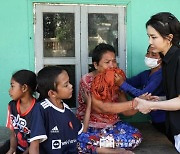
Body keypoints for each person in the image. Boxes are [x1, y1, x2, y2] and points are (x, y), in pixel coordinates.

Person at [76, 43, 142, 153]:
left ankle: (99, 148)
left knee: (136, 137)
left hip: (113, 125)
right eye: (107, 62)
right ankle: (111, 150)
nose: (112, 66)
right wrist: (134, 103)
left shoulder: (117, 79)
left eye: (114, 61)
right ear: (96, 65)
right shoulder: (87, 80)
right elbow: (101, 108)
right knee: (80, 139)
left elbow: (126, 112)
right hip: (91, 127)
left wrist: (143, 103)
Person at [134, 12, 180, 152]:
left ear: (169, 38)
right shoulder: (167, 61)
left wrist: (150, 105)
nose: (150, 42)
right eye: (149, 36)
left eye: (154, 37)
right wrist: (158, 100)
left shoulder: (178, 59)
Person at [29, 66, 91, 154]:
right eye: (66, 85)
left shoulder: (66, 108)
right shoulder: (41, 109)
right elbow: (34, 146)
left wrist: (88, 105)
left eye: (69, 82)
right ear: (52, 93)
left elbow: (82, 130)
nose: (71, 86)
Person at [116, 45, 166, 134]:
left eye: (154, 54)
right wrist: (116, 74)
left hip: (164, 120)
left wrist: (121, 84)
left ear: (161, 59)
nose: (149, 56)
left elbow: (143, 95)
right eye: (148, 53)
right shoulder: (146, 74)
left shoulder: (161, 75)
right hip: (154, 120)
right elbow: (129, 82)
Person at [0, 70, 37, 154]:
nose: (9, 90)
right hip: (16, 145)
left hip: (33, 148)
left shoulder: (38, 108)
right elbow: (12, 131)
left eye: (12, 86)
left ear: (24, 88)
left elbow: (37, 141)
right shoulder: (12, 105)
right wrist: (12, 149)